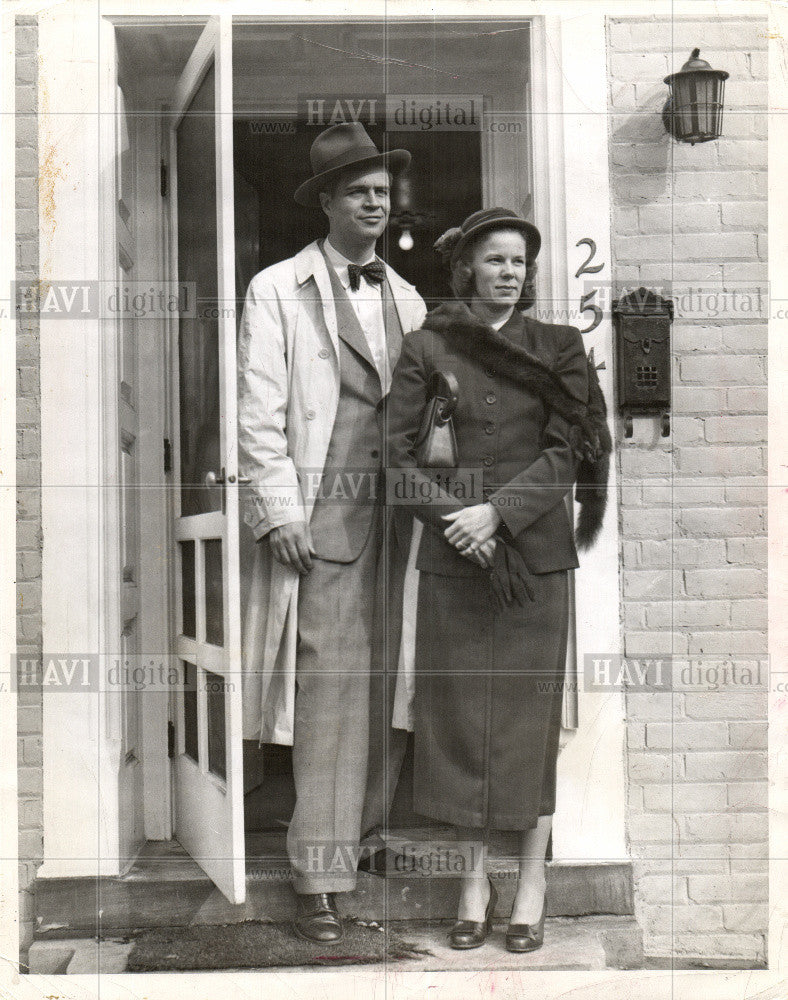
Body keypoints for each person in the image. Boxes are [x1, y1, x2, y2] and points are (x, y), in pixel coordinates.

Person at [386, 207, 610, 951]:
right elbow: (395, 462)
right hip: (454, 563)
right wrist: (460, 519)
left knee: (523, 726)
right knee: (457, 726)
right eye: (495, 261)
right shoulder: (428, 347)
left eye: (519, 262)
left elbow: (570, 448)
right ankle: (472, 882)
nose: (509, 273)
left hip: (534, 563)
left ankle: (532, 884)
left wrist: (498, 513)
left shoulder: (560, 346)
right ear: (467, 271)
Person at [237, 123, 426, 943]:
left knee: (391, 683)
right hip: (325, 519)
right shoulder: (278, 288)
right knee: (331, 693)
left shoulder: (408, 297)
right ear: (325, 202)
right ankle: (317, 874)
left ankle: (367, 840)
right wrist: (279, 509)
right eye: (359, 190)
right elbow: (258, 414)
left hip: (401, 523)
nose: (376, 201)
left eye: (383, 189)